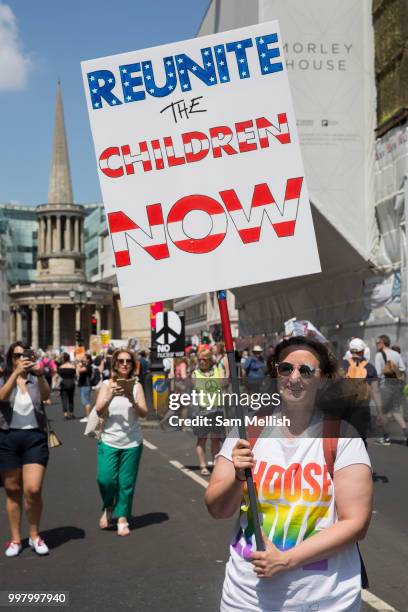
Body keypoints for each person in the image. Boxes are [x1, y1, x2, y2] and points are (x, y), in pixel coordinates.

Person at [205, 336, 373, 612]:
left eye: (306, 371)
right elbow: (217, 509)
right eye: (286, 369)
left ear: (321, 379)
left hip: (324, 601)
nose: (294, 377)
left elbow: (356, 522)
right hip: (246, 599)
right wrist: (237, 477)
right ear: (275, 374)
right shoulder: (247, 432)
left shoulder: (342, 437)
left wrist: (287, 559)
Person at [0, 342, 51, 557]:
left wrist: (39, 375)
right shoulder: (4, 378)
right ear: (11, 358)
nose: (21, 358)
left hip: (34, 437)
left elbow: (46, 396)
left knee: (33, 489)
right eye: (17, 355)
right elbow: (1, 396)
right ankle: (15, 539)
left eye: (25, 355)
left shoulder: (35, 378)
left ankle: (34, 534)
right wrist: (15, 375)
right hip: (7, 438)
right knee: (13, 490)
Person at [95, 348, 147, 536]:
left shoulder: (137, 386)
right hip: (109, 439)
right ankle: (109, 506)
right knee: (105, 479)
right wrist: (110, 396)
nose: (125, 364)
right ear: (115, 364)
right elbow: (99, 410)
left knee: (126, 482)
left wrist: (131, 398)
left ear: (132, 365)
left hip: (132, 442)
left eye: (128, 361)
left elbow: (143, 413)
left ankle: (122, 517)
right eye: (121, 361)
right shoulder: (106, 385)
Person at [339, 338, 384, 447]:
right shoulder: (370, 368)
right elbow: (375, 391)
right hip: (362, 409)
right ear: (363, 351)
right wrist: (380, 412)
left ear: (350, 350)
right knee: (360, 441)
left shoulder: (341, 365)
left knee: (341, 441)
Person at [192, 349, 224, 476]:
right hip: (202, 411)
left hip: (217, 409)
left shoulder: (217, 371)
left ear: (210, 360)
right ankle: (203, 465)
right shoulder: (195, 374)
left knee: (215, 439)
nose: (201, 361)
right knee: (202, 439)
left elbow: (224, 383)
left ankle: (216, 464)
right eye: (199, 359)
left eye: (204, 359)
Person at [375, 334, 407, 445]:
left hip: (385, 386)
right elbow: (402, 369)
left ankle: (386, 438)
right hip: (396, 386)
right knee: (395, 411)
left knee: (383, 412)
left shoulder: (379, 355)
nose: (376, 345)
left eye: (377, 343)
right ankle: (406, 431)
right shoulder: (396, 354)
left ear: (383, 343)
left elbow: (378, 374)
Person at [58, 353, 77, 420]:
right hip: (71, 382)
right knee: (71, 399)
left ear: (63, 359)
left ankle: (65, 414)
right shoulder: (72, 367)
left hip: (63, 383)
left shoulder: (61, 367)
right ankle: (71, 413)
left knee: (64, 399)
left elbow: (59, 377)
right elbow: (75, 376)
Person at [77, 354, 93, 423]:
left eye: (84, 358)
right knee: (86, 402)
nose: (82, 358)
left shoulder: (88, 366)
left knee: (86, 402)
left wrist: (78, 365)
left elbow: (80, 371)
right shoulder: (86, 365)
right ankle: (88, 416)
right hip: (85, 385)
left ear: (88, 359)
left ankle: (88, 417)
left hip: (86, 385)